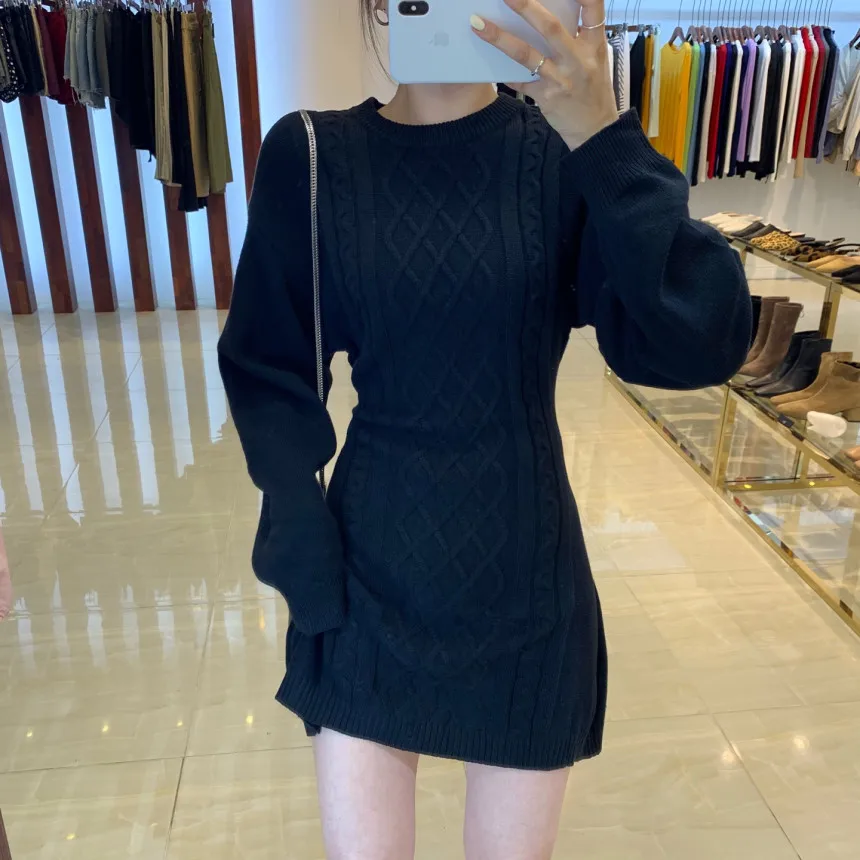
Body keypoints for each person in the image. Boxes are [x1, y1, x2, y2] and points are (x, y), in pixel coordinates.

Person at [218, 0, 752, 857]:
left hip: (525, 586)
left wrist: (606, 139)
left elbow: (702, 340)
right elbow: (267, 360)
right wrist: (295, 518)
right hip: (365, 578)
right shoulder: (313, 156)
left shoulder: (564, 155)